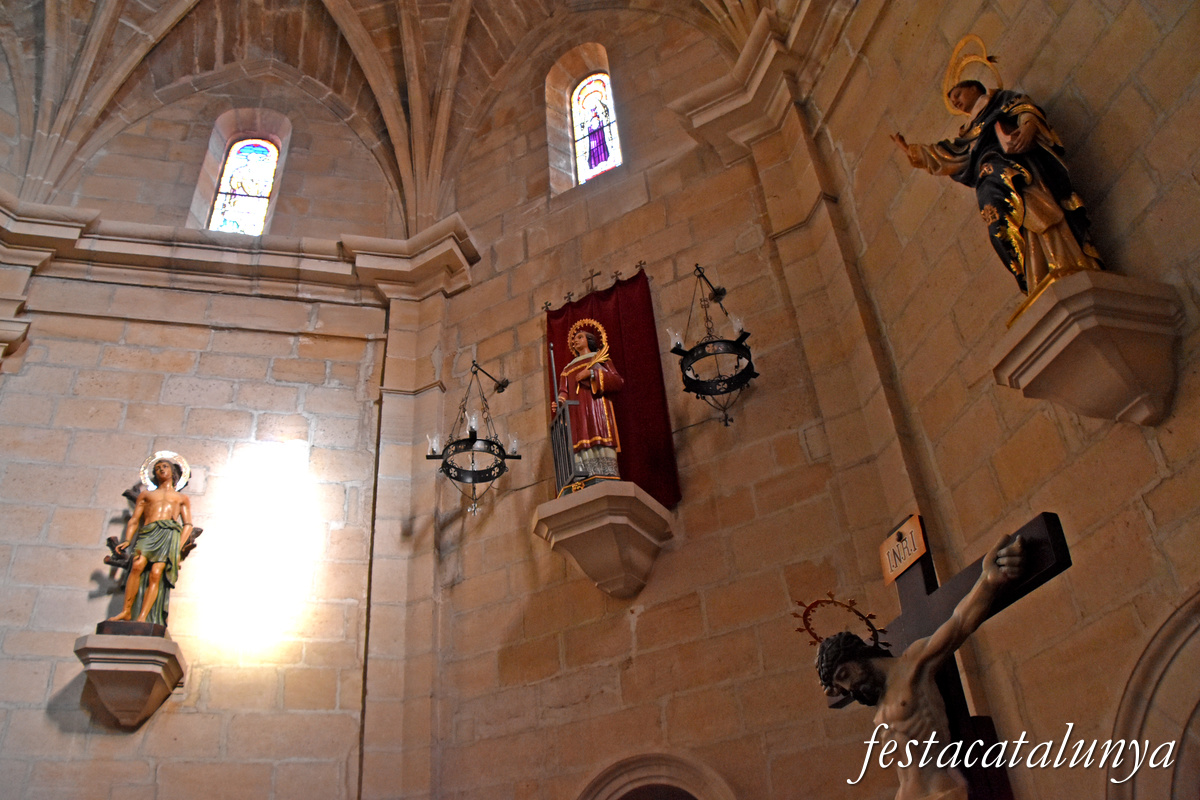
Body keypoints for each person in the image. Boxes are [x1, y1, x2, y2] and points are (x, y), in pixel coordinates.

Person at [816, 533, 1024, 800]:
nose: (849, 688)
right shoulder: (877, 698)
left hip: (940, 792)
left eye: (845, 674)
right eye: (841, 685)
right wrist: (833, 681)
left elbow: (959, 622)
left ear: (858, 655)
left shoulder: (913, 665)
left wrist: (987, 581)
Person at [891, 79, 1101, 295]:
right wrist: (911, 151)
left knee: (1038, 212)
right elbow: (950, 156)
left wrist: (1029, 127)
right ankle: (1036, 277)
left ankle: (1064, 262)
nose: (956, 103)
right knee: (1003, 227)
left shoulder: (1001, 100)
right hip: (989, 184)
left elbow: (1026, 110)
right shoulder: (968, 132)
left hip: (1020, 172)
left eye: (958, 95)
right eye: (953, 102)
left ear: (974, 88)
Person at [108, 456, 194, 626]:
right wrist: (127, 540)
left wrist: (179, 547)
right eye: (157, 468)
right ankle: (126, 611)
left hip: (169, 535)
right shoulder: (146, 495)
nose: (161, 470)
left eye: (164, 466)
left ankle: (142, 617)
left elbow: (188, 524)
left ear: (172, 472)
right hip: (149, 532)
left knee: (156, 574)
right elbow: (134, 519)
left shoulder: (181, 498)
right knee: (137, 565)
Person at [551, 319, 624, 480]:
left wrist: (592, 374)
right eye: (574, 339)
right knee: (580, 437)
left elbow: (617, 381)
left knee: (600, 432)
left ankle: (606, 471)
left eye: (580, 337)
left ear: (589, 341)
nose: (575, 340)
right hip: (577, 412)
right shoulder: (567, 368)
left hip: (597, 406)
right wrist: (560, 402)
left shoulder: (600, 358)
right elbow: (563, 391)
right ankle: (585, 474)